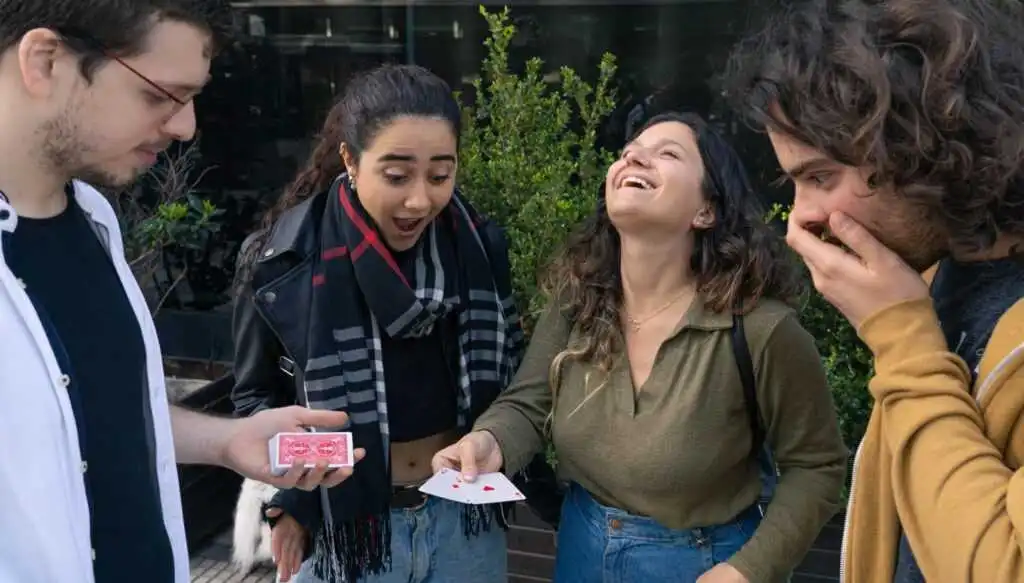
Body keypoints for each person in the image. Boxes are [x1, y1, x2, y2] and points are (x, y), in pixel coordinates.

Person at [0, 3, 359, 583]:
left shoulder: (94, 221)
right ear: (45, 61)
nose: (185, 126)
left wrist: (227, 440)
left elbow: (82, 416)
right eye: (159, 95)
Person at [433, 111, 848, 583]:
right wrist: (490, 441)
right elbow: (529, 404)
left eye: (667, 153)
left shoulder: (759, 329)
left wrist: (749, 571)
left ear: (705, 211)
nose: (634, 156)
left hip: (703, 563)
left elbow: (816, 466)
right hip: (581, 549)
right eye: (630, 150)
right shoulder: (579, 301)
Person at [724, 0, 1024, 582]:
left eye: (819, 177)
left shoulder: (906, 316)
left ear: (923, 141)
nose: (800, 220)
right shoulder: (935, 282)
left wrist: (902, 342)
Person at [230, 63, 553, 583]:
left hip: (463, 522)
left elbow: (513, 382)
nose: (420, 199)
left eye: (440, 175)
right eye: (397, 175)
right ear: (350, 161)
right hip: (346, 529)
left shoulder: (476, 248)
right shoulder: (284, 261)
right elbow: (256, 400)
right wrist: (293, 498)